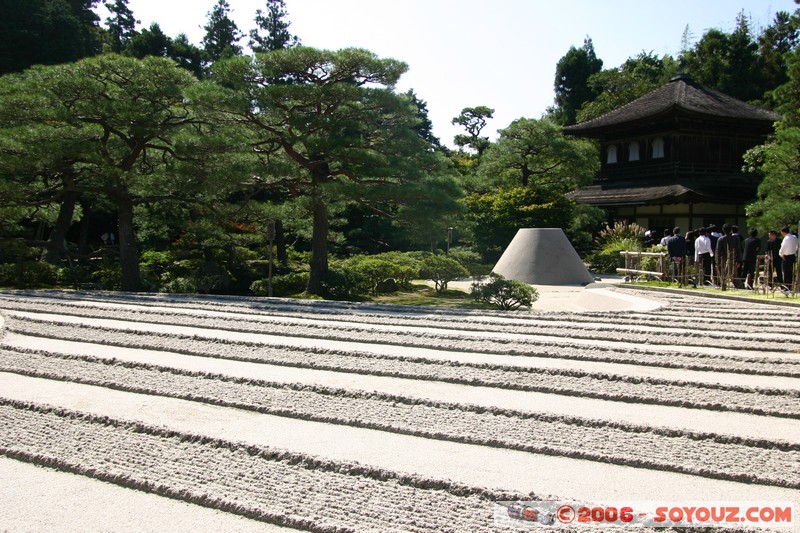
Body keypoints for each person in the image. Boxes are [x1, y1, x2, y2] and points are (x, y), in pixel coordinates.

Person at [716, 224, 742, 288]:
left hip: (723, 259)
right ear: (731, 230)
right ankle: (740, 287)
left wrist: (717, 261)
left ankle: (723, 286)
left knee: (723, 274)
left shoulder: (721, 239)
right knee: (733, 275)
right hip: (733, 259)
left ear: (723, 230)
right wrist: (738, 261)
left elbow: (718, 252)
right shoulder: (736, 238)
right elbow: (738, 250)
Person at [779, 226, 798, 291]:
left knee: (786, 272)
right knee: (791, 271)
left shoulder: (786, 238)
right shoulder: (794, 237)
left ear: (783, 232)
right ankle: (790, 285)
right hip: (792, 255)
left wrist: (781, 254)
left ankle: (787, 286)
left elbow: (783, 248)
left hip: (786, 256)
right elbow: (797, 246)